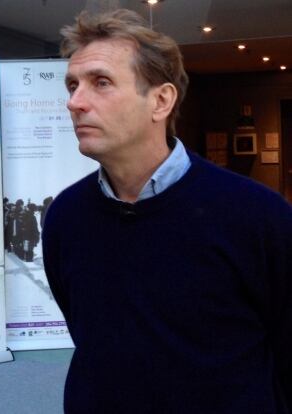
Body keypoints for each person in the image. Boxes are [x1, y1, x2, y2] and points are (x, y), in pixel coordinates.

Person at [43, 9, 292, 413]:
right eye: (72, 85)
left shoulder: (257, 215)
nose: (75, 102)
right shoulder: (66, 217)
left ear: (160, 100)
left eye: (100, 83)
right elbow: (87, 335)